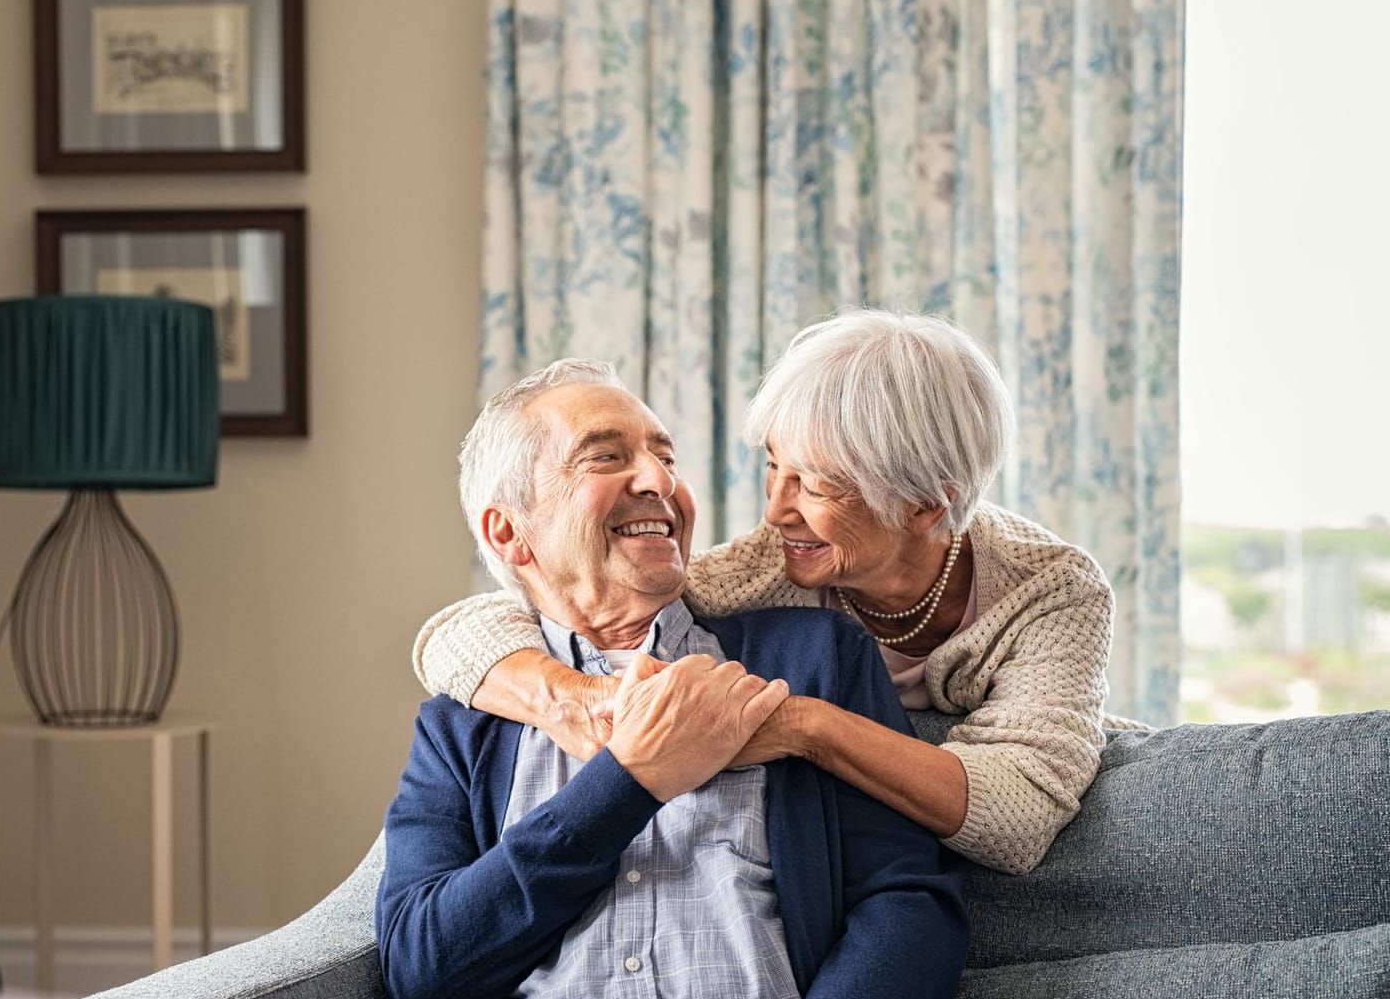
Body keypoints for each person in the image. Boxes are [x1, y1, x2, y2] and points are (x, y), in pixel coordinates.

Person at [377, 360, 967, 999]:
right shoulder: (464, 721)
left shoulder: (809, 660)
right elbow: (423, 975)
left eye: (666, 457)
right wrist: (630, 781)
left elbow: (909, 909)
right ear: (511, 533)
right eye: (605, 457)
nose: (659, 480)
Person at [413, 310, 1117, 875]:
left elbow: (1018, 817)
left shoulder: (1052, 592)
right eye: (774, 468)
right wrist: (573, 698)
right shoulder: (765, 568)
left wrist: (803, 727)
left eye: (812, 485)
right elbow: (466, 629)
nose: (776, 511)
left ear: (925, 505)